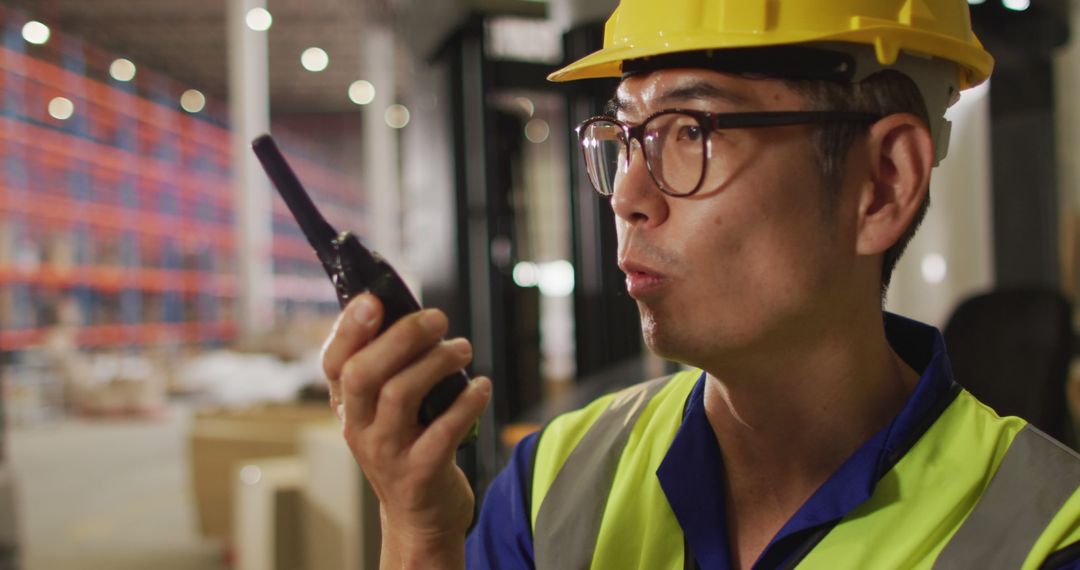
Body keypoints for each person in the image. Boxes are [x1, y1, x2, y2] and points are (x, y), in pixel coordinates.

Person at [320, 0, 1080, 568]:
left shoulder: (1043, 531)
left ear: (881, 184)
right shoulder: (555, 482)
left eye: (692, 131)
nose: (626, 196)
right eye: (624, 136)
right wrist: (418, 530)